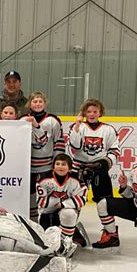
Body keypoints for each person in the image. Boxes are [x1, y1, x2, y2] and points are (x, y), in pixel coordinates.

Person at [67, 98, 119, 235]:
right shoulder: (77, 127)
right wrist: (77, 126)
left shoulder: (108, 129)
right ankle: (68, 232)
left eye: (95, 111)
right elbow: (75, 146)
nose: (91, 114)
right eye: (88, 111)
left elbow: (114, 151)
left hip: (99, 169)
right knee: (73, 201)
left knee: (104, 203)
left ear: (100, 112)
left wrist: (104, 164)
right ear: (84, 112)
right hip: (78, 168)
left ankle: (111, 233)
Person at [20, 91, 65, 221]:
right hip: (27, 167)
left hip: (46, 167)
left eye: (40, 101)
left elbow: (59, 142)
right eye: (34, 101)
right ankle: (32, 222)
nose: (37, 103)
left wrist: (57, 163)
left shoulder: (53, 120)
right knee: (29, 196)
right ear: (29, 104)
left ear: (45, 103)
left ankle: (47, 222)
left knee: (46, 196)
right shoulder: (23, 119)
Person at [36, 154, 89, 247]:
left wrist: (64, 204)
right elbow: (42, 202)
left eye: (64, 164)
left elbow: (82, 199)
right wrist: (59, 202)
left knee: (69, 214)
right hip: (47, 212)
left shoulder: (76, 179)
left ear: (69, 168)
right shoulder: (43, 178)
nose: (60, 166)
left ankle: (67, 244)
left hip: (66, 210)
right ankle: (74, 230)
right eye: (57, 164)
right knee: (46, 242)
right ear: (53, 167)